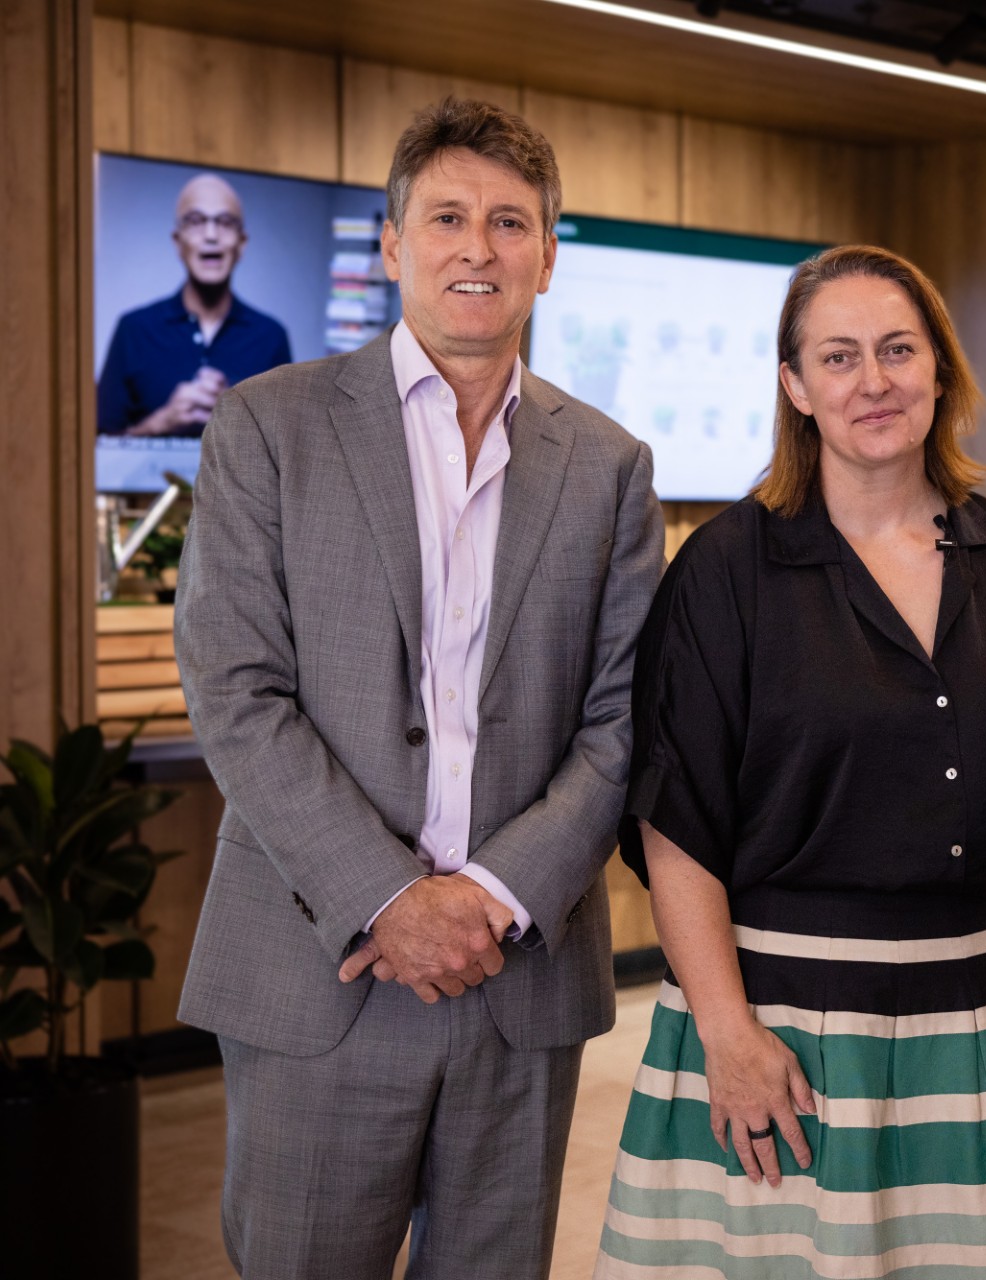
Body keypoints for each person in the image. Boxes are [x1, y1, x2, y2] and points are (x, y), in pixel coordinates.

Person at [173, 98, 663, 1278]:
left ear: (548, 253)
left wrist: (489, 895)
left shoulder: (610, 466)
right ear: (393, 244)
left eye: (509, 222)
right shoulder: (268, 426)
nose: (477, 248)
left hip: (519, 975)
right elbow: (236, 688)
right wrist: (393, 897)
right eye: (446, 217)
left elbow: (623, 718)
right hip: (319, 967)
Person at [594, 245, 986, 1278]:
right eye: (839, 356)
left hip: (983, 1021)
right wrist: (729, 1038)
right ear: (795, 386)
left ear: (941, 370)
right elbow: (673, 820)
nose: (874, 380)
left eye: (899, 349)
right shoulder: (726, 572)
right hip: (780, 1033)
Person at [97, 173, 293, 437]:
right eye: (196, 221)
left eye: (225, 222)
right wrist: (161, 422)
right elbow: (96, 453)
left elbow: (288, 456)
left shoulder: (271, 337)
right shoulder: (133, 329)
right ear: (178, 242)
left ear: (242, 244)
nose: (211, 235)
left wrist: (236, 417)